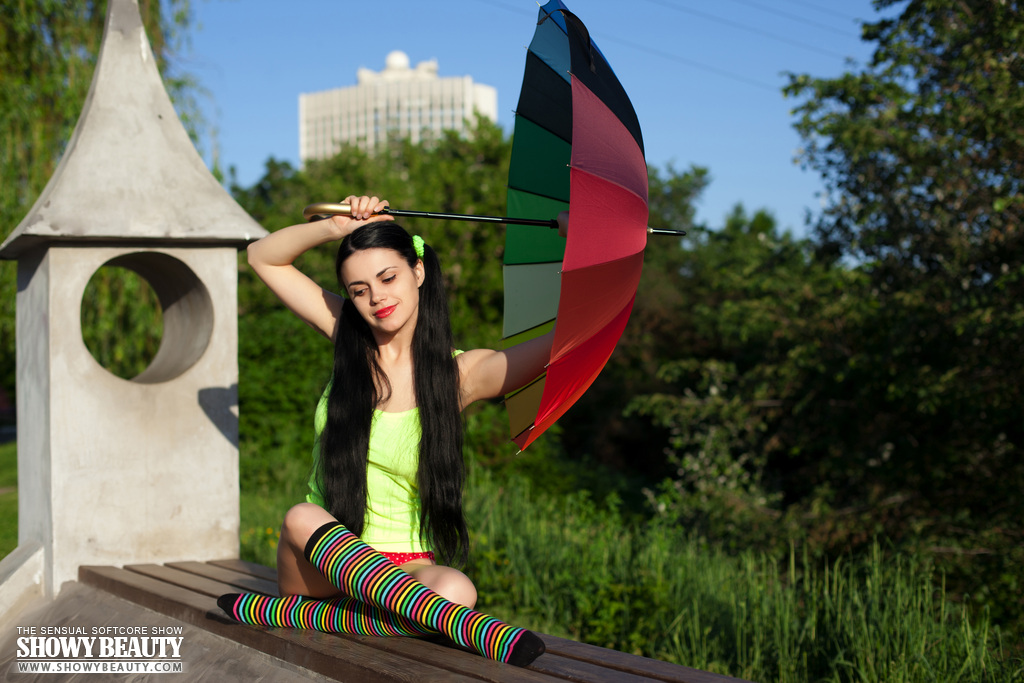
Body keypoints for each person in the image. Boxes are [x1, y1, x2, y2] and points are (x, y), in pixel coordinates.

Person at [217, 195, 563, 667]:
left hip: (409, 566)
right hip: (322, 562)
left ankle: (318, 617)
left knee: (457, 590)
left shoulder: (460, 375)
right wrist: (335, 227)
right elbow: (262, 256)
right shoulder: (347, 338)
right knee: (301, 515)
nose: (377, 298)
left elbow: (567, 343)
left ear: (417, 271)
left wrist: (583, 248)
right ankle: (441, 623)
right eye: (358, 290)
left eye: (388, 278)